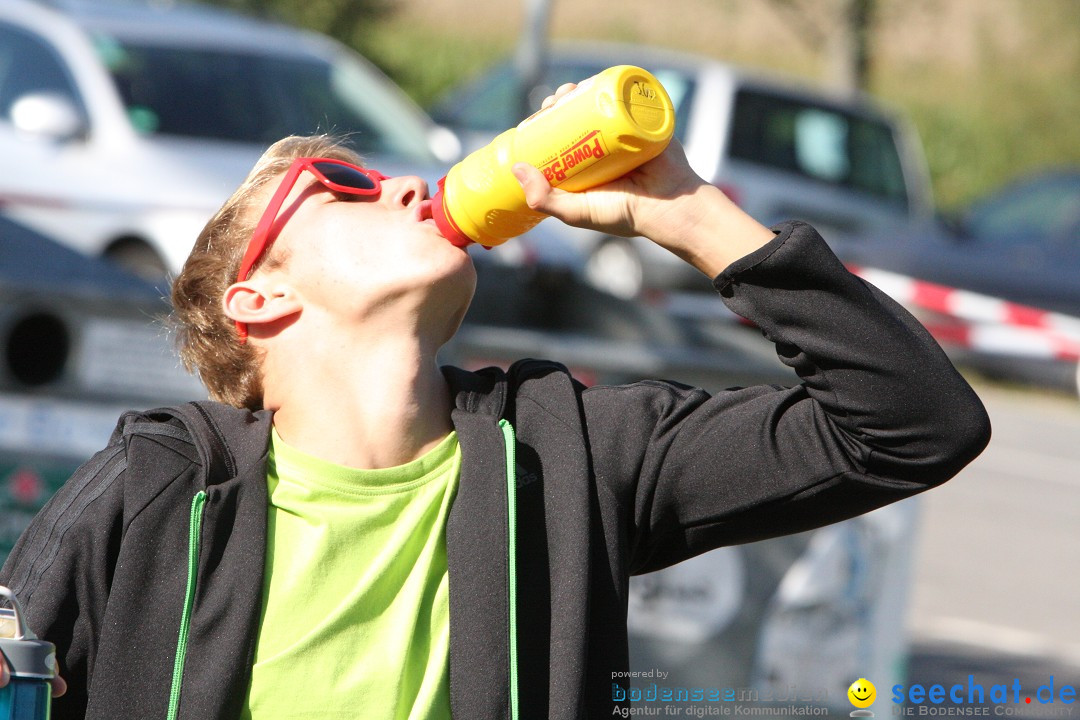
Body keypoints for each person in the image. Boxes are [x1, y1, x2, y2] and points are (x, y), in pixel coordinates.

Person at [0, 81, 990, 719]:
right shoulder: (159, 488)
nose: (398, 189)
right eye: (341, 187)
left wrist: (690, 213)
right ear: (259, 298)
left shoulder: (571, 454)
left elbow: (911, 424)